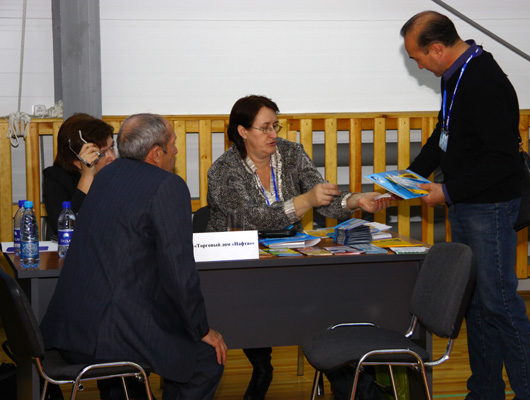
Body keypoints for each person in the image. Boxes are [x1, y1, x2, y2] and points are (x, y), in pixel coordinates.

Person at [400, 11, 530, 400]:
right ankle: (485, 391)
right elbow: (445, 134)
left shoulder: (484, 81)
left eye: (418, 57)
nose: (419, 65)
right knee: (478, 307)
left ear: (437, 48)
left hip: (490, 208)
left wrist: (447, 192)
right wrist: (409, 178)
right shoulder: (456, 75)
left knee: (500, 305)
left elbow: (502, 160)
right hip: (467, 205)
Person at [206, 95, 392, 400]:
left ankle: (355, 387)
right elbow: (251, 218)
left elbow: (322, 199)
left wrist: (355, 200)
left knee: (325, 306)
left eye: (275, 126)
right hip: (240, 265)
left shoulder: (291, 153)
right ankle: (262, 365)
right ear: (242, 131)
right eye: (265, 128)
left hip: (288, 256)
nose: (273, 134)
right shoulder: (222, 171)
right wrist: (304, 201)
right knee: (266, 306)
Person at [40, 113, 227, 400]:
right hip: (111, 336)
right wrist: (201, 329)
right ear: (156, 153)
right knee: (206, 355)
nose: (176, 151)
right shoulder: (168, 185)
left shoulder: (105, 176)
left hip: (68, 329)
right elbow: (179, 273)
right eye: (173, 144)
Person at [42, 113, 116, 239]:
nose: (112, 158)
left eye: (112, 148)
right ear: (77, 159)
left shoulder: (116, 174)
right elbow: (65, 227)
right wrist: (87, 176)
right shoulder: (55, 178)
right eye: (103, 153)